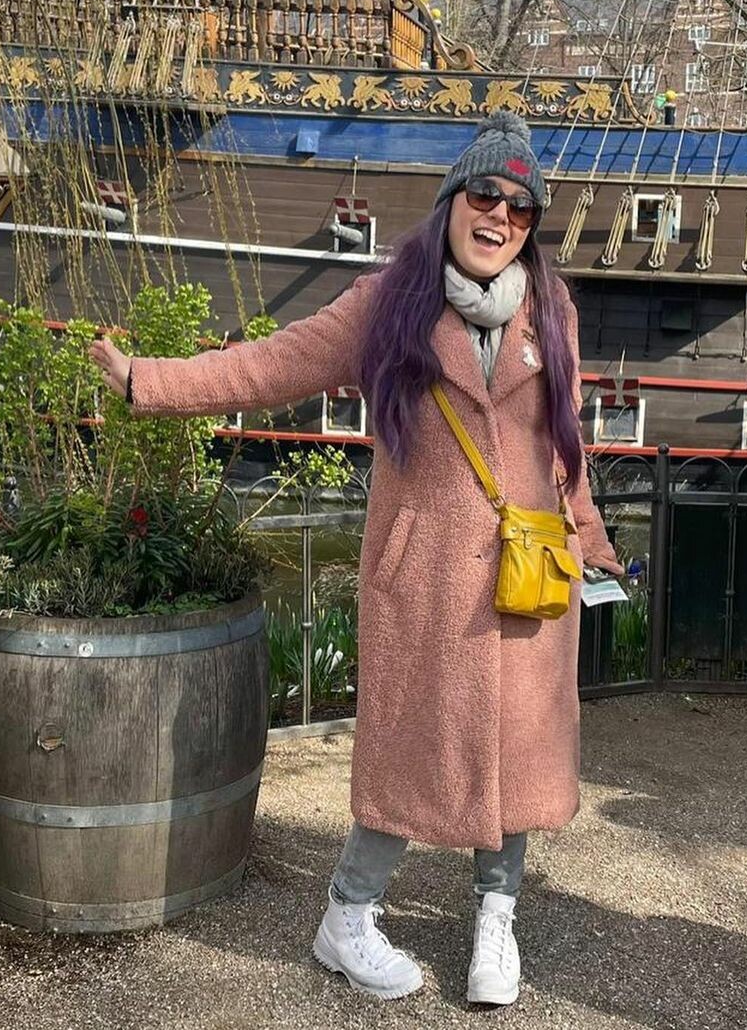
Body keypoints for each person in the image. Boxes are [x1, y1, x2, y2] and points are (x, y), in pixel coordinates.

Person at [89, 111, 622, 1007]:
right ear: (453, 200)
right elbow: (274, 365)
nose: (500, 215)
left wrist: (592, 541)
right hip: (427, 581)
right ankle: (347, 915)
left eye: (521, 206)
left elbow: (563, 445)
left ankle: (496, 918)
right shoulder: (390, 303)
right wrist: (150, 379)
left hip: (530, 571)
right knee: (406, 754)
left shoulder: (551, 309)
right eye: (485, 194)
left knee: (516, 753)